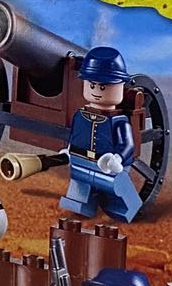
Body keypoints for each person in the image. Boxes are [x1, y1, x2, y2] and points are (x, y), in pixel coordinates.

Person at [59, 46, 141, 223]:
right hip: (81, 161)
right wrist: (69, 150)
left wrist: (118, 158)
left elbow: (127, 144)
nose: (96, 91)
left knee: (116, 188)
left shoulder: (118, 121)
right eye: (92, 85)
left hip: (109, 166)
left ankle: (124, 209)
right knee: (79, 184)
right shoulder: (80, 115)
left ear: (120, 86)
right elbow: (75, 135)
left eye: (103, 87)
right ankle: (82, 207)